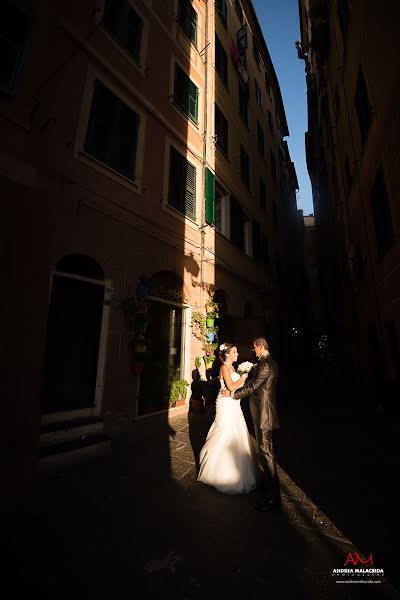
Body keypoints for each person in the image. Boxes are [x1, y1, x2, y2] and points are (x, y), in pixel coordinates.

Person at [221, 336, 281, 511]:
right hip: (263, 413)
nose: (253, 350)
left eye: (254, 348)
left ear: (260, 347)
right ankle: (269, 489)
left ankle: (273, 498)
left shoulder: (265, 364)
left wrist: (233, 394)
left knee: (266, 452)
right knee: (265, 451)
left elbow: (253, 386)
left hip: (264, 415)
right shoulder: (267, 362)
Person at [197, 343, 257, 494]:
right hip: (226, 404)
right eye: (235, 352)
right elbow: (231, 387)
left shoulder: (232, 368)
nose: (237, 354)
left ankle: (236, 472)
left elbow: (234, 388)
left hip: (233, 402)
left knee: (237, 431)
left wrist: (244, 378)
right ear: (227, 354)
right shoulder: (224, 367)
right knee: (225, 431)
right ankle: (217, 471)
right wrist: (243, 377)